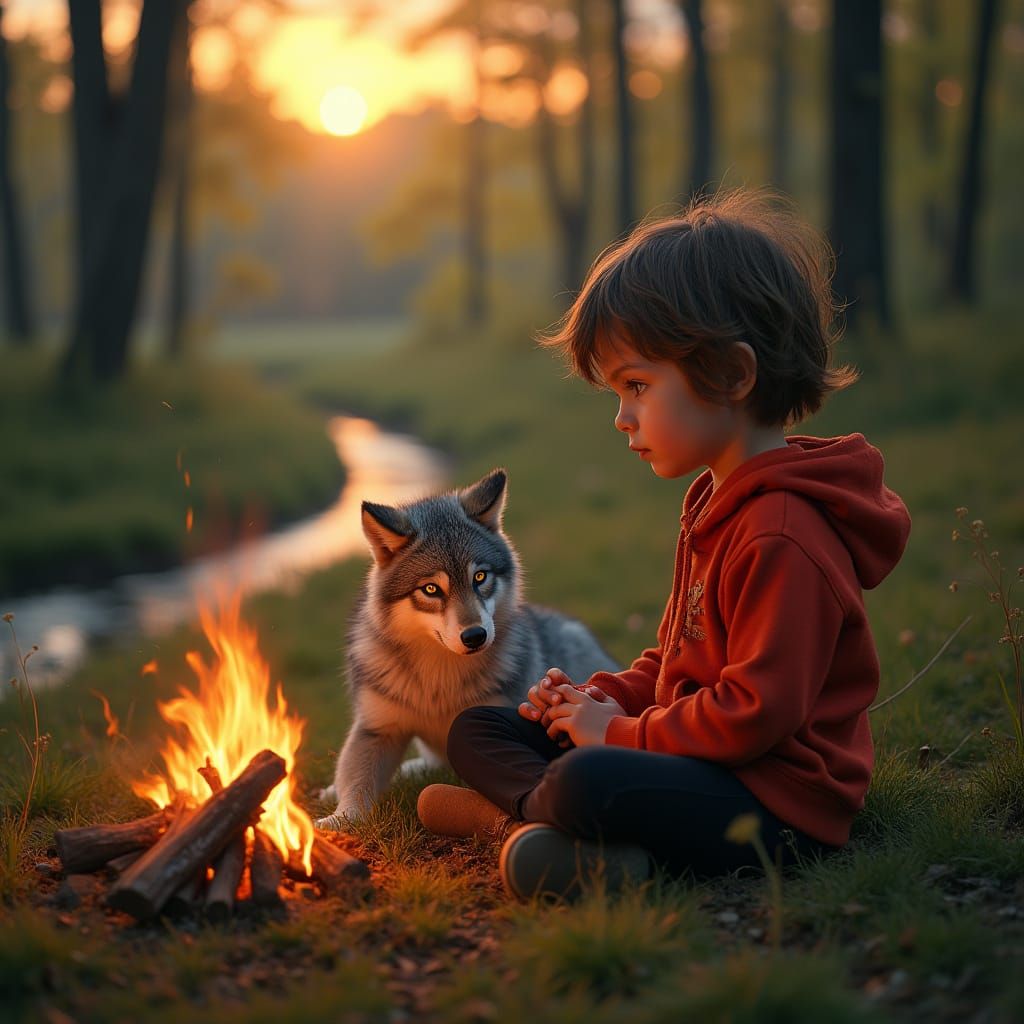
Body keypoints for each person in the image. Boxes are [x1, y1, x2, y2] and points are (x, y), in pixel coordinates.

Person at [417, 189, 911, 900]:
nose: (623, 417)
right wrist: (595, 698)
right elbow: (680, 663)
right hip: (697, 760)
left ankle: (527, 823)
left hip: (774, 804)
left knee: (590, 777)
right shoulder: (714, 500)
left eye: (638, 386)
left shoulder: (782, 533)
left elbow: (753, 715)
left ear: (733, 375)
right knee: (479, 730)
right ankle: (549, 828)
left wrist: (614, 735)